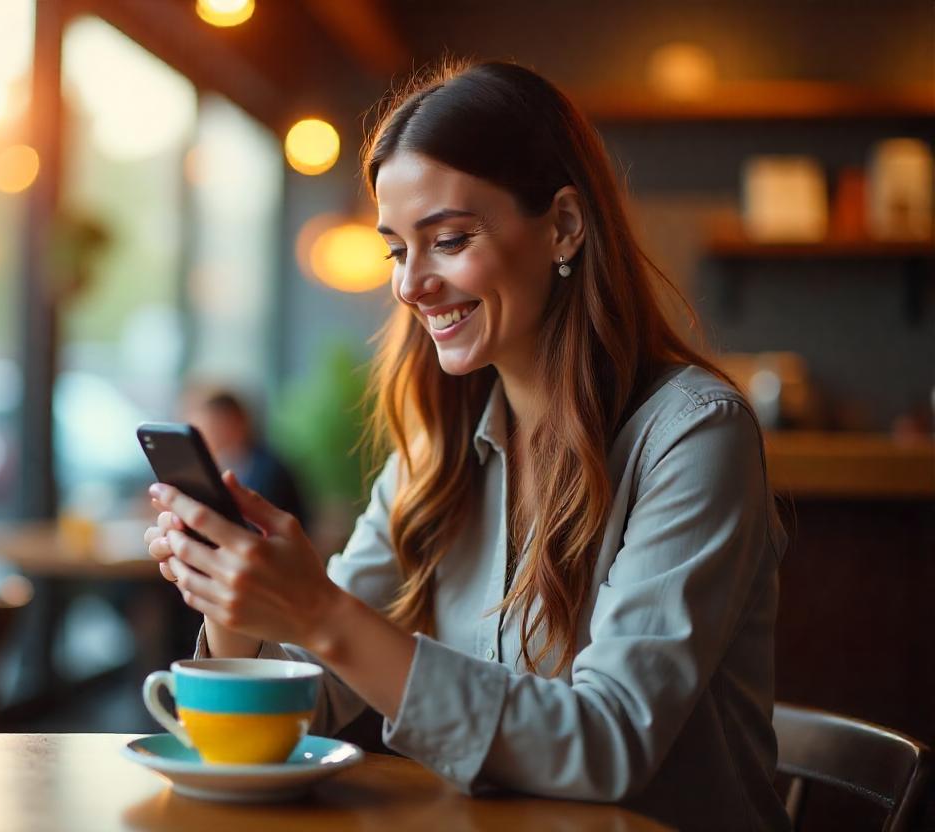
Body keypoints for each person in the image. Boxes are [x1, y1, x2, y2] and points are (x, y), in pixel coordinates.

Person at [145, 61, 788, 831]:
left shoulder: (692, 434)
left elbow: (610, 742)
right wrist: (235, 598)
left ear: (564, 226)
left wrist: (317, 610)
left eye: (448, 239)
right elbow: (304, 701)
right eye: (395, 249)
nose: (410, 285)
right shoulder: (436, 450)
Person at [182, 387, 309, 528]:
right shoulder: (230, 463)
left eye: (212, 427)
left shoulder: (268, 471)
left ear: (236, 422)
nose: (208, 437)